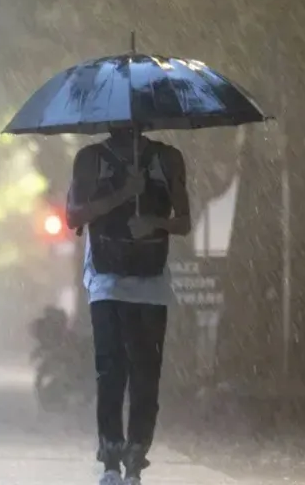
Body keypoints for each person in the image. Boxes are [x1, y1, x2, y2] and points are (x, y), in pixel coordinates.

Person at [66, 129, 191, 485]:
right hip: (106, 283)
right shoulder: (90, 159)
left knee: (145, 376)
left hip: (151, 285)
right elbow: (73, 216)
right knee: (110, 372)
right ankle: (110, 460)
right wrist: (123, 195)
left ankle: (136, 456)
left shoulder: (166, 158)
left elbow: (184, 221)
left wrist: (153, 222)